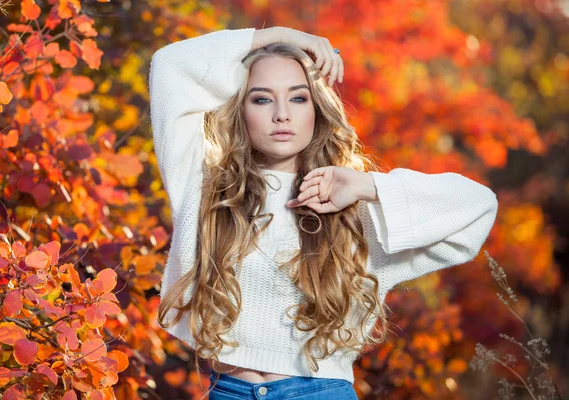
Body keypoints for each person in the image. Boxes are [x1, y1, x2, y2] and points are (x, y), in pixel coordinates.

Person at [148, 26, 498, 400]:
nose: (282, 114)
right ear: (240, 110)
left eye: (298, 98)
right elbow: (169, 65)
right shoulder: (205, 188)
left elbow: (478, 207)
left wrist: (368, 186)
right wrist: (279, 36)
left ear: (317, 108)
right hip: (228, 391)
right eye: (262, 100)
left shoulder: (354, 210)